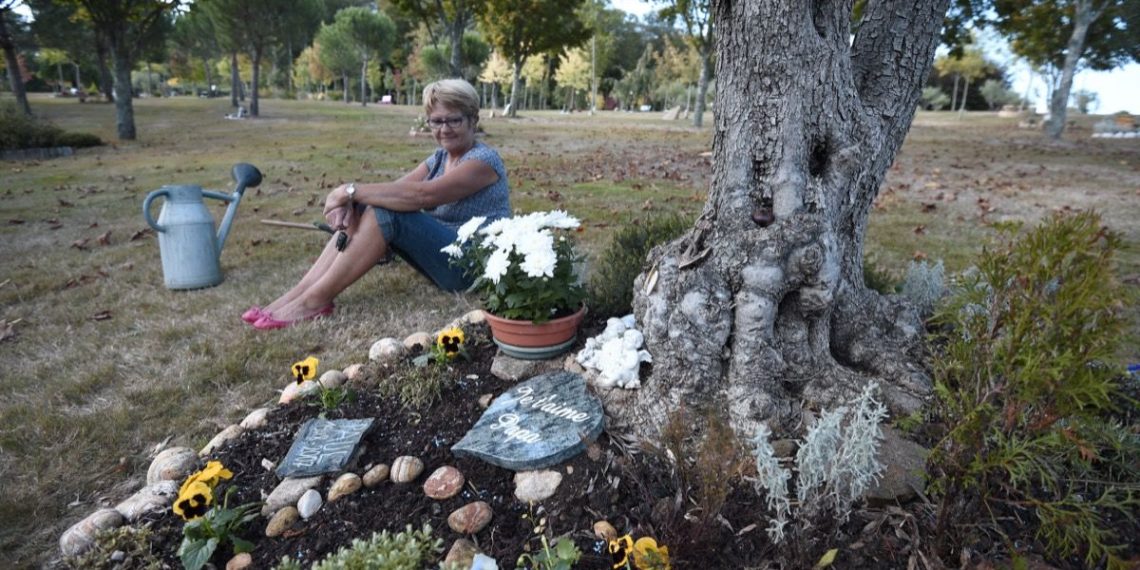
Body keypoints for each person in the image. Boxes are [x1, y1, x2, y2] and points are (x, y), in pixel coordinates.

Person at [244, 79, 510, 330]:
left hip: (472, 266)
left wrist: (348, 191)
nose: (444, 129)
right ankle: (298, 294)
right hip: (445, 256)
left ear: (473, 120)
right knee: (369, 205)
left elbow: (422, 196)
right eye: (436, 121)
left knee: (385, 213)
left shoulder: (483, 161)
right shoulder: (440, 158)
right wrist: (352, 202)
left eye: (454, 120)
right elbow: (395, 190)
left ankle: (313, 301)